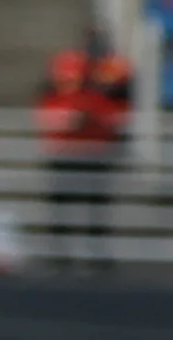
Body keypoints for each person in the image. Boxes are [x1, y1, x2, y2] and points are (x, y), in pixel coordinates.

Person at [36, 49, 129, 266]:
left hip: (95, 158)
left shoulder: (94, 99)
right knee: (60, 210)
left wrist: (87, 120)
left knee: (97, 210)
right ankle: (58, 254)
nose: (69, 79)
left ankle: (98, 255)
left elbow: (113, 123)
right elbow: (52, 124)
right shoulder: (51, 100)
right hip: (63, 159)